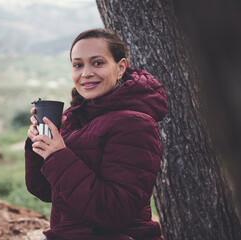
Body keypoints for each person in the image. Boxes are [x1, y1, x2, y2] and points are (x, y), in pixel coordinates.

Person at [25, 28, 167, 240]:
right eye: (78, 65)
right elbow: (45, 191)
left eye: (97, 62)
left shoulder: (136, 125)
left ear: (120, 68)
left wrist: (58, 155)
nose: (86, 73)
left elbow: (116, 211)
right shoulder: (76, 117)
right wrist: (39, 144)